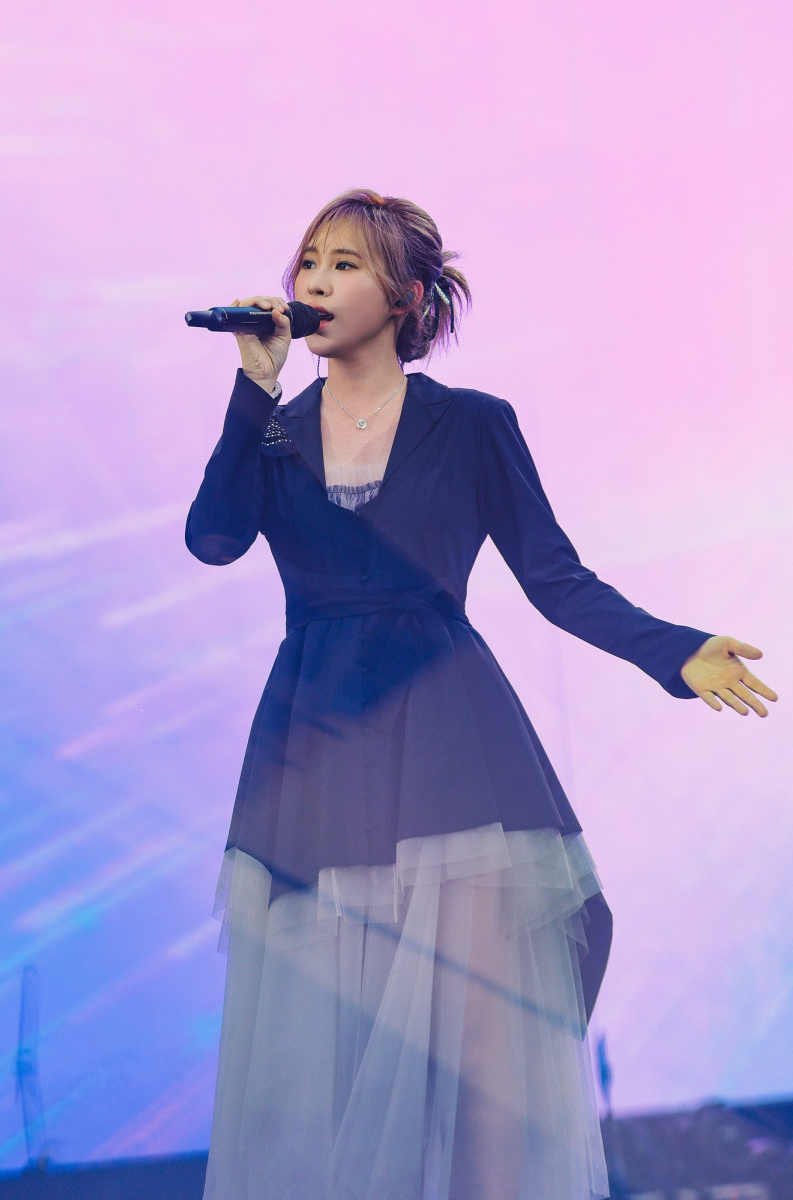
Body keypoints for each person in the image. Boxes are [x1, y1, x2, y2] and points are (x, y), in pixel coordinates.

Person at [185, 188, 777, 1200]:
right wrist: (253, 387)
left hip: (448, 739)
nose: (314, 281)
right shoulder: (273, 432)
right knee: (317, 1062)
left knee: (482, 1058)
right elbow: (214, 539)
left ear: (406, 298)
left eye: (344, 264)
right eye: (308, 262)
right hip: (314, 741)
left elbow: (555, 578)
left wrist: (673, 652)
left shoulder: (470, 425)